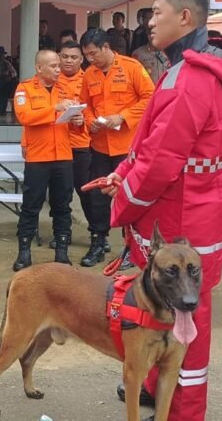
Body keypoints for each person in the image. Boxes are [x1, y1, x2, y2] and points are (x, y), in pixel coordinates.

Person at [104, 0, 222, 421]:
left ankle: (183, 410)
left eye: (157, 13)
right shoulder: (189, 69)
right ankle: (155, 384)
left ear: (184, 17)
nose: (149, 22)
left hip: (181, 219)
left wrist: (122, 202)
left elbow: (160, 163)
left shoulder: (187, 80)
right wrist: (124, 171)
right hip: (189, 216)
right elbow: (151, 148)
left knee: (186, 317)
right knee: (165, 304)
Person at [78, 28, 155, 267]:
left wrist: (122, 117)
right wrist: (91, 121)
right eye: (87, 55)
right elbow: (86, 105)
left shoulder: (132, 68)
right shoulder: (89, 74)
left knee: (129, 197)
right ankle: (98, 242)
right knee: (98, 198)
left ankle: (131, 249)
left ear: (106, 48)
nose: (90, 60)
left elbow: (150, 98)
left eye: (93, 54)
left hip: (128, 148)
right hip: (100, 146)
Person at [12, 50, 82, 270]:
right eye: (53, 66)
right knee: (31, 206)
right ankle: (24, 252)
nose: (58, 69)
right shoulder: (25, 88)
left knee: (63, 206)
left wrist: (78, 120)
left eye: (58, 65)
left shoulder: (65, 90)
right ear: (39, 68)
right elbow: (25, 117)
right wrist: (54, 109)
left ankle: (62, 251)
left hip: (63, 155)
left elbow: (74, 125)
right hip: (38, 157)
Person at [58, 41, 96, 241]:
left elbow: (97, 110)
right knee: (60, 194)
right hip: (57, 145)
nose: (69, 61)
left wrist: (84, 120)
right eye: (65, 56)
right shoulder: (51, 78)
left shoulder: (89, 79)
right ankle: (62, 233)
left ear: (81, 60)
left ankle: (97, 234)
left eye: (74, 57)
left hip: (83, 144)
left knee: (87, 192)